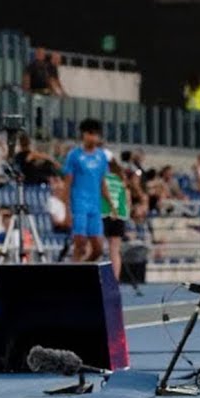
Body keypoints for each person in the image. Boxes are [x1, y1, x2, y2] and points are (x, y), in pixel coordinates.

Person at [62, 118, 112, 264]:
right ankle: (74, 277)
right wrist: (66, 210)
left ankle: (84, 269)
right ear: (83, 135)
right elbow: (67, 184)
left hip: (95, 205)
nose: (93, 137)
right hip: (79, 204)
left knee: (98, 248)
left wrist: (111, 204)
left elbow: (102, 182)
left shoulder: (102, 156)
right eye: (90, 133)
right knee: (80, 244)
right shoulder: (74, 155)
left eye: (96, 134)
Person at [101, 151, 130, 281]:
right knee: (115, 250)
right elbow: (127, 197)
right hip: (120, 215)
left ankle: (97, 278)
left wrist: (112, 208)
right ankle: (115, 281)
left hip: (105, 212)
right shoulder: (121, 177)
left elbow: (104, 192)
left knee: (97, 246)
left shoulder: (101, 175)